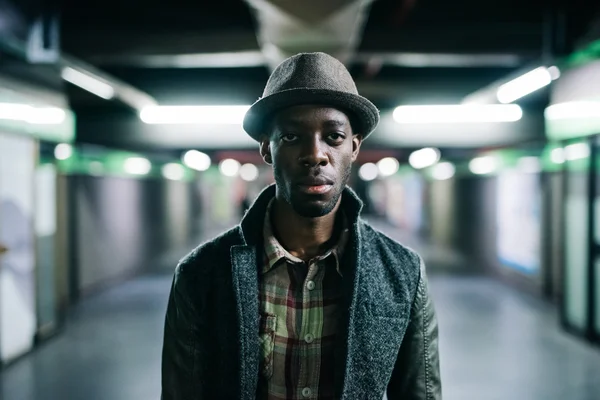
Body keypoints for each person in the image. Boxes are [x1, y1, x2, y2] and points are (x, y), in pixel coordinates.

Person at [161, 52, 441, 400]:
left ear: (354, 147)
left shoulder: (402, 272)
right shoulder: (201, 273)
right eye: (292, 137)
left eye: (334, 137)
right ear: (267, 148)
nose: (315, 154)